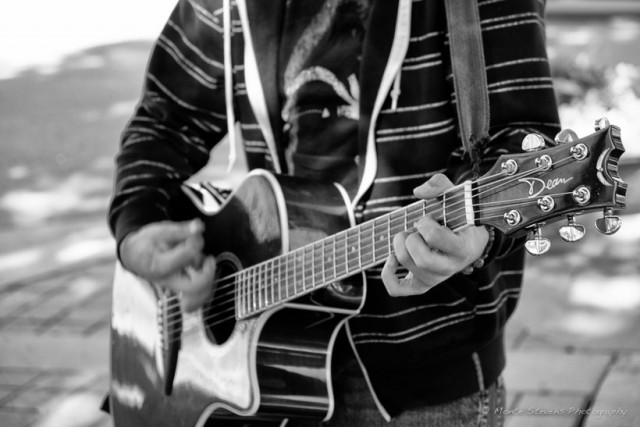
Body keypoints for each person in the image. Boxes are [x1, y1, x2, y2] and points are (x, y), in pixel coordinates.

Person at [108, 0, 560, 425]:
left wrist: (477, 231)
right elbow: (165, 119)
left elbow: (524, 138)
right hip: (256, 362)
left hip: (423, 375)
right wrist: (137, 228)